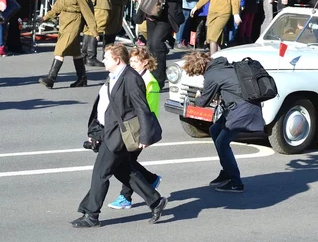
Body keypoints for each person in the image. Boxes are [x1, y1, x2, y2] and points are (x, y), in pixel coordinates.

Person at [72, 44, 167, 228]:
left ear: (117, 60)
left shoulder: (131, 78)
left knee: (101, 173)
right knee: (124, 171)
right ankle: (155, 201)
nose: (104, 60)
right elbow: (105, 107)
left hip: (119, 135)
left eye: (106, 57)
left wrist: (145, 137)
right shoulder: (114, 76)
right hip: (108, 131)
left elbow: (142, 108)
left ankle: (91, 215)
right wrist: (96, 132)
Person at [183, 52, 265, 193]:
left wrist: (196, 97)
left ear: (199, 69)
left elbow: (203, 102)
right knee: (214, 130)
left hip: (242, 111)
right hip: (238, 108)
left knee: (222, 142)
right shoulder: (222, 66)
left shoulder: (212, 74)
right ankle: (227, 172)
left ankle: (235, 182)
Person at [107, 46, 163, 210]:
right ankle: (150, 179)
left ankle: (126, 197)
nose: (132, 64)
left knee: (127, 162)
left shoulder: (149, 83)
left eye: (136, 61)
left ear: (145, 62)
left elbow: (146, 111)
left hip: (139, 129)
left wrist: (143, 133)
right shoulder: (134, 77)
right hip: (132, 126)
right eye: (130, 61)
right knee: (128, 161)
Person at [38, 0, 98, 89]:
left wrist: (94, 31)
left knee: (60, 50)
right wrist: (45, 17)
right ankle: (82, 78)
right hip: (64, 24)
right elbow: (57, 7)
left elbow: (88, 13)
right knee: (76, 53)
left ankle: (51, 78)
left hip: (74, 24)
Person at [137, 0, 186, 89]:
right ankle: (151, 74)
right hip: (151, 12)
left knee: (157, 42)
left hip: (167, 15)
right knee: (150, 45)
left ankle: (159, 79)